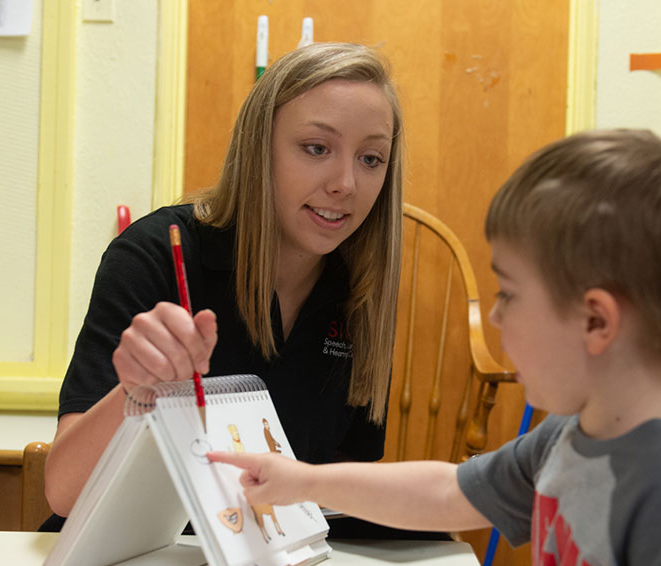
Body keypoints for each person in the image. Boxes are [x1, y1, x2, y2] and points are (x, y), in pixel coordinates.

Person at [210, 130, 661, 566]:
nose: (494, 316)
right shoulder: (573, 436)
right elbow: (448, 493)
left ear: (596, 320)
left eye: (510, 294)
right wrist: (303, 481)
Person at [42, 42, 406, 537]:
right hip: (131, 563)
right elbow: (63, 492)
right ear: (260, 150)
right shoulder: (154, 256)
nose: (346, 183)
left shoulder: (362, 289)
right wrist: (138, 389)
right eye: (316, 148)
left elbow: (345, 468)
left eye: (371, 158)